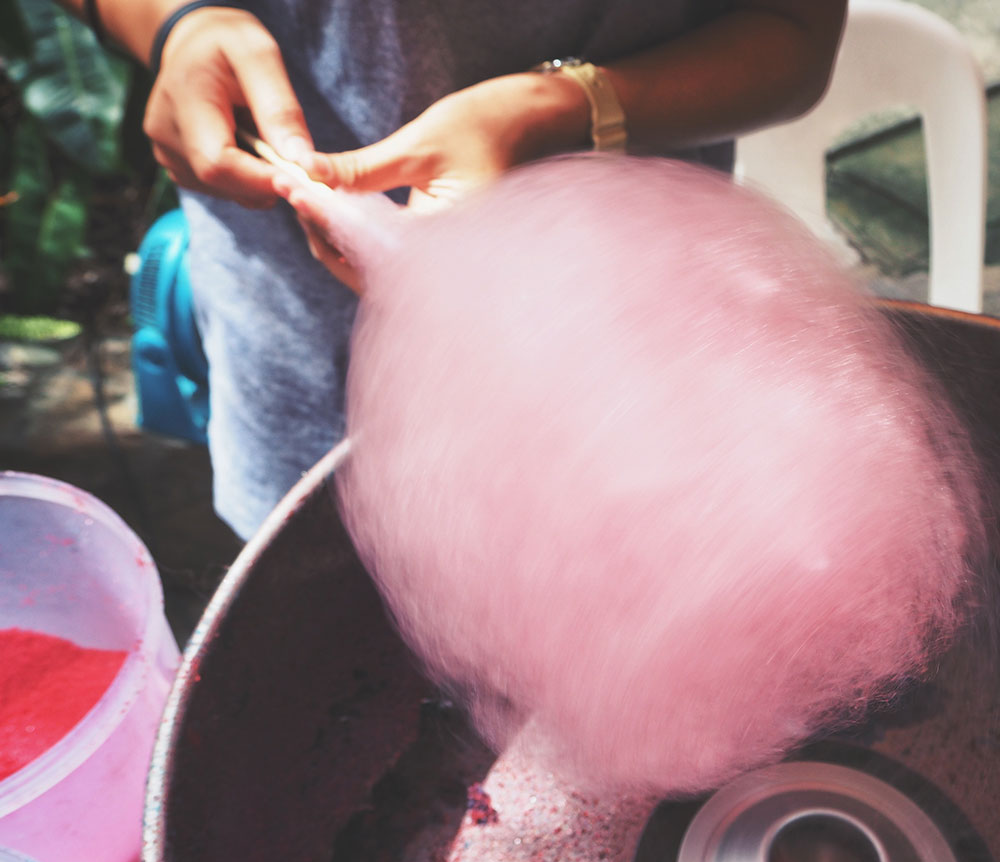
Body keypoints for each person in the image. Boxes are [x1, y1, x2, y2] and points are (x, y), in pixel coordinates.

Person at [65, 0, 847, 540]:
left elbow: (794, 34)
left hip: (634, 363)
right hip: (305, 373)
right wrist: (176, 26)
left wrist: (557, 109)